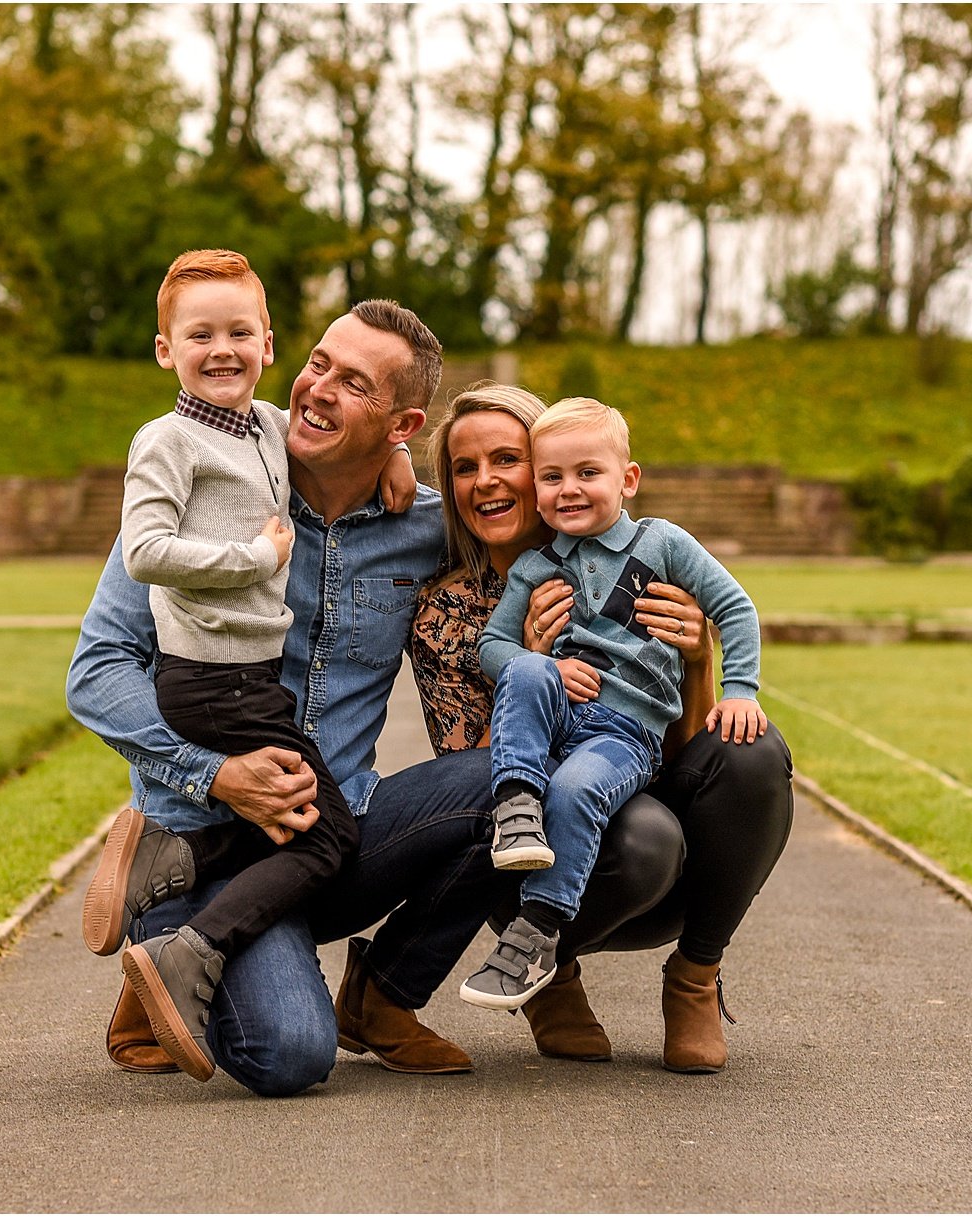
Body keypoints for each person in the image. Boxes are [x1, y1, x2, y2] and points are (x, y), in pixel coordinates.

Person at [68, 298, 504, 1096]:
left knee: (506, 778)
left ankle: (382, 998)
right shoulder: (203, 495)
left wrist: (672, 599)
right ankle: (168, 938)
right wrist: (214, 775)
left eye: (354, 384)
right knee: (289, 1055)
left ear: (402, 423)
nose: (318, 388)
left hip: (330, 834)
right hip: (202, 840)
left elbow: (548, 518)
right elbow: (95, 674)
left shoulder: (426, 528)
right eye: (319, 363)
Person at [410, 382, 793, 1072]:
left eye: (508, 458)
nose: (488, 480)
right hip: (521, 838)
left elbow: (681, 730)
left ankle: (696, 976)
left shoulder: (651, 555)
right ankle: (548, 969)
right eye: (465, 467)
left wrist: (702, 658)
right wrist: (527, 657)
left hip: (626, 756)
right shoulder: (458, 606)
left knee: (751, 753)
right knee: (630, 829)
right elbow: (467, 785)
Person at [81, 249, 367, 1082]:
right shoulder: (166, 440)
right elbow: (144, 550)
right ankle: (187, 949)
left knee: (292, 825)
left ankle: (177, 861)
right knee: (330, 834)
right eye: (199, 333)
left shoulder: (267, 426)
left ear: (268, 343)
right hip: (213, 684)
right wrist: (252, 557)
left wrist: (385, 456)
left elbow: (330, 438)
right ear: (165, 349)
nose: (223, 349)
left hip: (243, 680)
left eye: (240, 331)